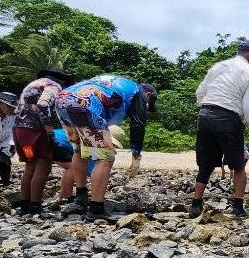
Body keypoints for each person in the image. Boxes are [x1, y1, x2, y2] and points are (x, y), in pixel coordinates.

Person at [189, 39, 249, 219]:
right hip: (228, 118)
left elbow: (200, 93)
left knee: (205, 165)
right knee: (239, 164)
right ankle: (238, 206)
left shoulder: (218, 66)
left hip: (205, 114)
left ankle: (195, 204)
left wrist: (208, 109)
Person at [55, 75, 156, 220]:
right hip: (86, 105)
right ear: (148, 95)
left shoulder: (118, 82)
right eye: (149, 104)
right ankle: (96, 208)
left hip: (62, 100)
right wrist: (136, 153)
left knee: (79, 151)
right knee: (105, 158)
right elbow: (138, 125)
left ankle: (81, 198)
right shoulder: (139, 93)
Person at [12, 68, 74, 217]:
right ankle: (35, 206)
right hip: (35, 132)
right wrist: (49, 129)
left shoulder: (32, 85)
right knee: (43, 166)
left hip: (21, 132)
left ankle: (24, 205)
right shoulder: (53, 86)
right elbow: (43, 104)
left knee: (30, 165)